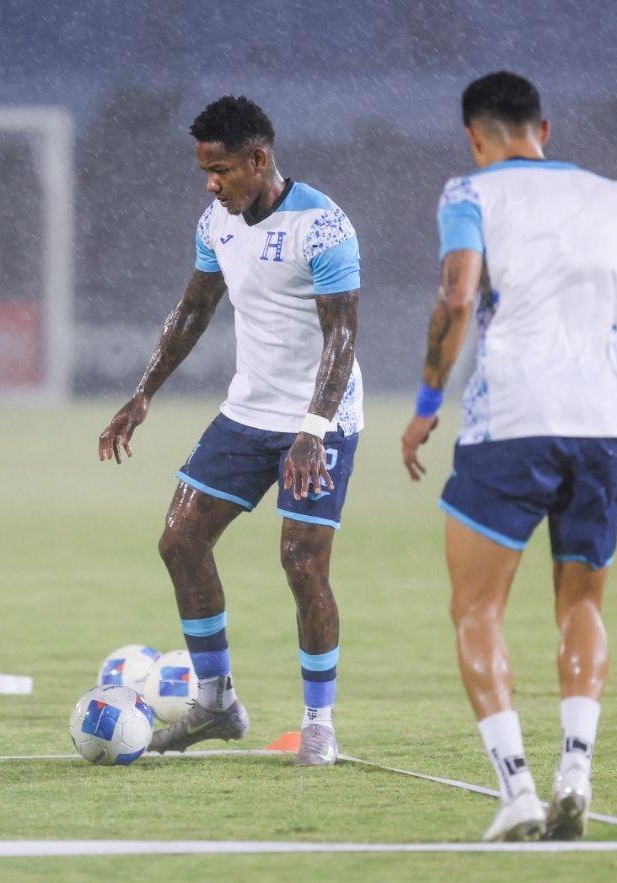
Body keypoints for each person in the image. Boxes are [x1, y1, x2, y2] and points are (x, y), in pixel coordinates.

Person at [401, 72, 617, 841]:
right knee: (582, 605)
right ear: (546, 127)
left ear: (476, 135)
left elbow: (459, 294)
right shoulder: (615, 197)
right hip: (605, 420)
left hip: (514, 419)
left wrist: (428, 405)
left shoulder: (470, 193)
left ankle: (519, 791)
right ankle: (577, 770)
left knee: (476, 608)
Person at [98, 96, 363, 767]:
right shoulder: (217, 222)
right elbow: (193, 310)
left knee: (301, 562)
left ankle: (319, 723)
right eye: (204, 172)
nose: (212, 184)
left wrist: (313, 428)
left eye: (221, 170)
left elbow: (343, 338)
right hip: (249, 412)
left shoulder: (324, 227)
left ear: (259, 159)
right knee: (180, 539)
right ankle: (216, 704)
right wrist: (141, 394)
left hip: (319, 418)